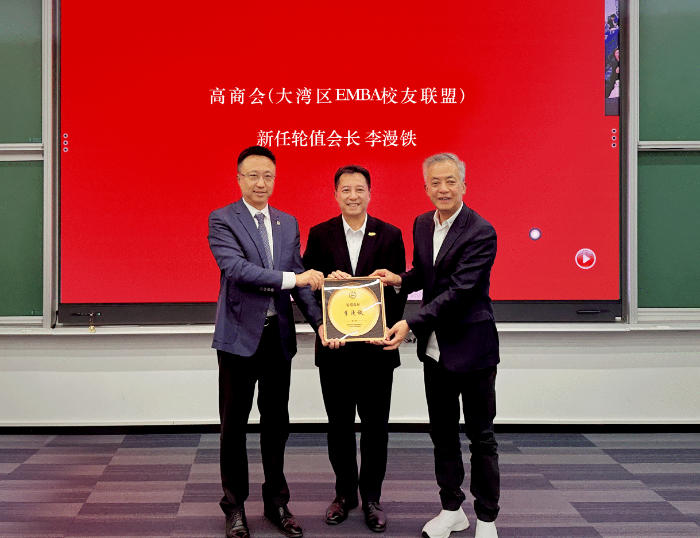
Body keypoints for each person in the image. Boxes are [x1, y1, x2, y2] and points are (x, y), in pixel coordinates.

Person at [371, 152, 500, 538]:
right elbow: (428, 274)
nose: (443, 189)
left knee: (481, 437)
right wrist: (399, 279)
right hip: (434, 351)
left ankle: (487, 518)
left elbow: (460, 292)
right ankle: (451, 510)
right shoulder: (422, 223)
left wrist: (410, 321)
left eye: (450, 181)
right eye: (435, 183)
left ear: (464, 185)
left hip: (473, 350)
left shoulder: (481, 231)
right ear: (426, 187)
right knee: (442, 434)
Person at [208, 145, 328, 538]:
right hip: (238, 340)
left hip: (278, 338)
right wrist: (296, 279)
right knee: (234, 426)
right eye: (253, 175)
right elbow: (238, 270)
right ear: (239, 178)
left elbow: (300, 280)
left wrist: (322, 324)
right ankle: (234, 506)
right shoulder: (223, 219)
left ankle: (277, 502)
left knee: (277, 424)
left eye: (268, 176)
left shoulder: (287, 222)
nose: (261, 183)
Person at [302, 165, 406, 533]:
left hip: (376, 352)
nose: (353, 196)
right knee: (339, 427)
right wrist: (320, 306)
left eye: (359, 189)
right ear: (335, 194)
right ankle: (344, 495)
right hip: (336, 351)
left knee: (376, 428)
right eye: (345, 189)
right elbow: (306, 287)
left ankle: (372, 498)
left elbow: (400, 289)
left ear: (370, 193)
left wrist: (389, 324)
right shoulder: (320, 234)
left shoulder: (390, 234)